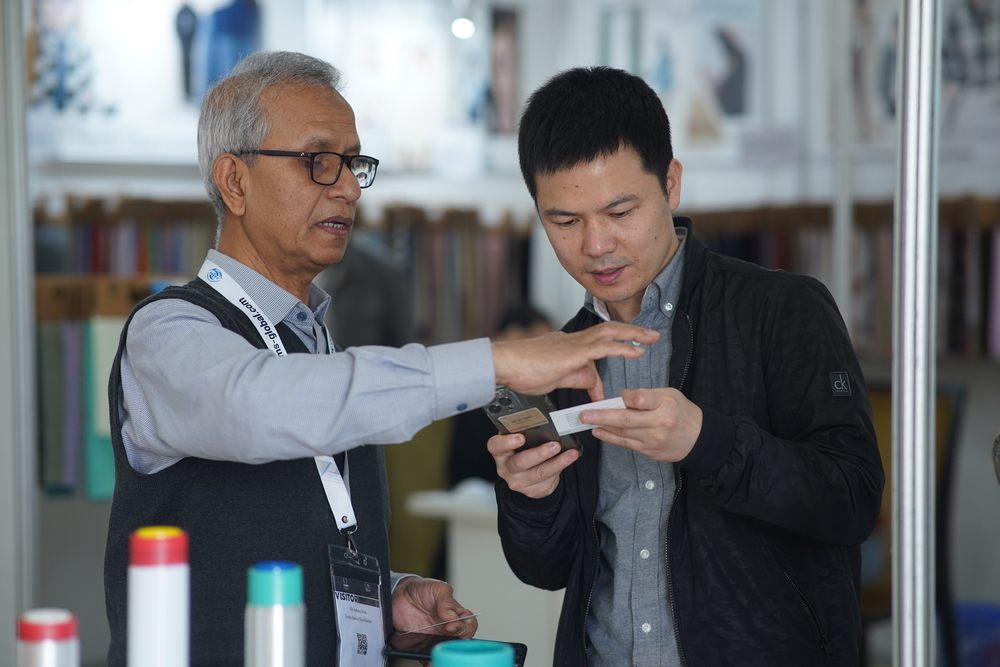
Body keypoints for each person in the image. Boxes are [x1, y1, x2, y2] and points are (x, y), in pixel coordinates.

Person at [103, 52, 659, 667]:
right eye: (318, 161)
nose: (346, 186)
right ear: (235, 181)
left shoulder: (318, 344)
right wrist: (496, 363)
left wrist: (383, 594)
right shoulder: (168, 332)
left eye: (352, 163)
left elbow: (284, 529)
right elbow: (255, 404)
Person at [488, 66, 885, 666]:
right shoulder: (563, 357)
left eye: (620, 211)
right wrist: (530, 496)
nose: (595, 245)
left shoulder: (782, 309)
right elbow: (546, 570)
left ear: (670, 184)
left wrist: (708, 441)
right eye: (564, 221)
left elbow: (852, 501)